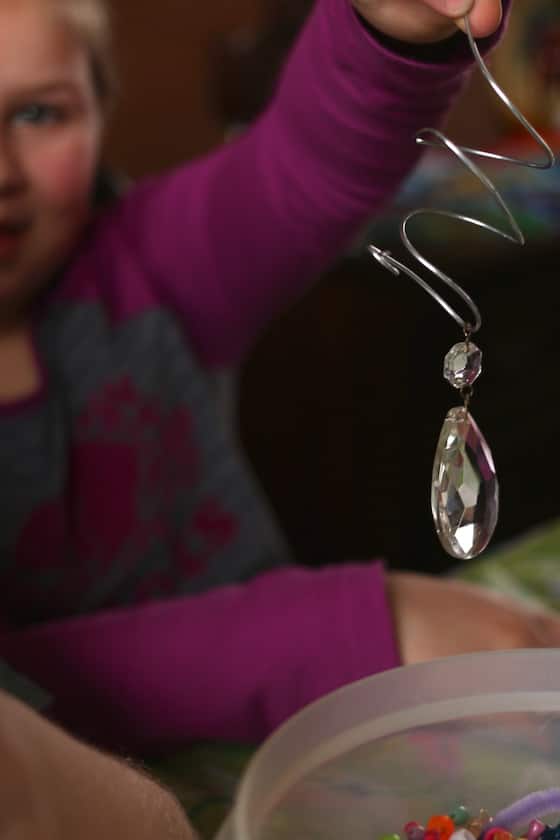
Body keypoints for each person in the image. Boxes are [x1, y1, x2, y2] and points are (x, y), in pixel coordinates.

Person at [0, 0, 552, 770]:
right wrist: (343, 628)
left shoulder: (148, 265)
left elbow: (308, 162)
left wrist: (389, 28)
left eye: (37, 111)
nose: (0, 170)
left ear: (100, 113)